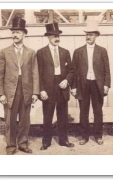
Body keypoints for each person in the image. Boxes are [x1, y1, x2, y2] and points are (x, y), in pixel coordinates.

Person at [0, 17, 39, 155]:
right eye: (13, 32)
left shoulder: (31, 52)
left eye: (18, 32)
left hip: (25, 89)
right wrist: (1, 93)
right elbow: (0, 75)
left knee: (24, 119)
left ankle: (22, 143)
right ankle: (10, 145)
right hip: (10, 91)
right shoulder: (4, 52)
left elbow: (35, 74)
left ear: (24, 34)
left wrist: (35, 93)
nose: (15, 35)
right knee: (10, 119)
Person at [71, 19, 111, 145]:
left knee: (97, 111)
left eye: (91, 34)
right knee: (84, 111)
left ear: (96, 36)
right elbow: (73, 70)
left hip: (97, 85)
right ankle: (84, 136)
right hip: (83, 85)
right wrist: (73, 87)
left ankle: (98, 136)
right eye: (87, 34)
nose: (89, 36)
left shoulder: (102, 51)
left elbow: (106, 70)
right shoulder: (78, 52)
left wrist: (106, 85)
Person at [37, 22, 75, 150]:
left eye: (58, 35)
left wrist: (67, 81)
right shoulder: (41, 53)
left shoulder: (65, 52)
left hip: (62, 86)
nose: (56, 38)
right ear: (48, 37)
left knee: (63, 115)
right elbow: (38, 74)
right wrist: (41, 89)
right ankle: (46, 141)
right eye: (54, 36)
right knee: (47, 115)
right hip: (48, 88)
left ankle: (63, 140)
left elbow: (72, 70)